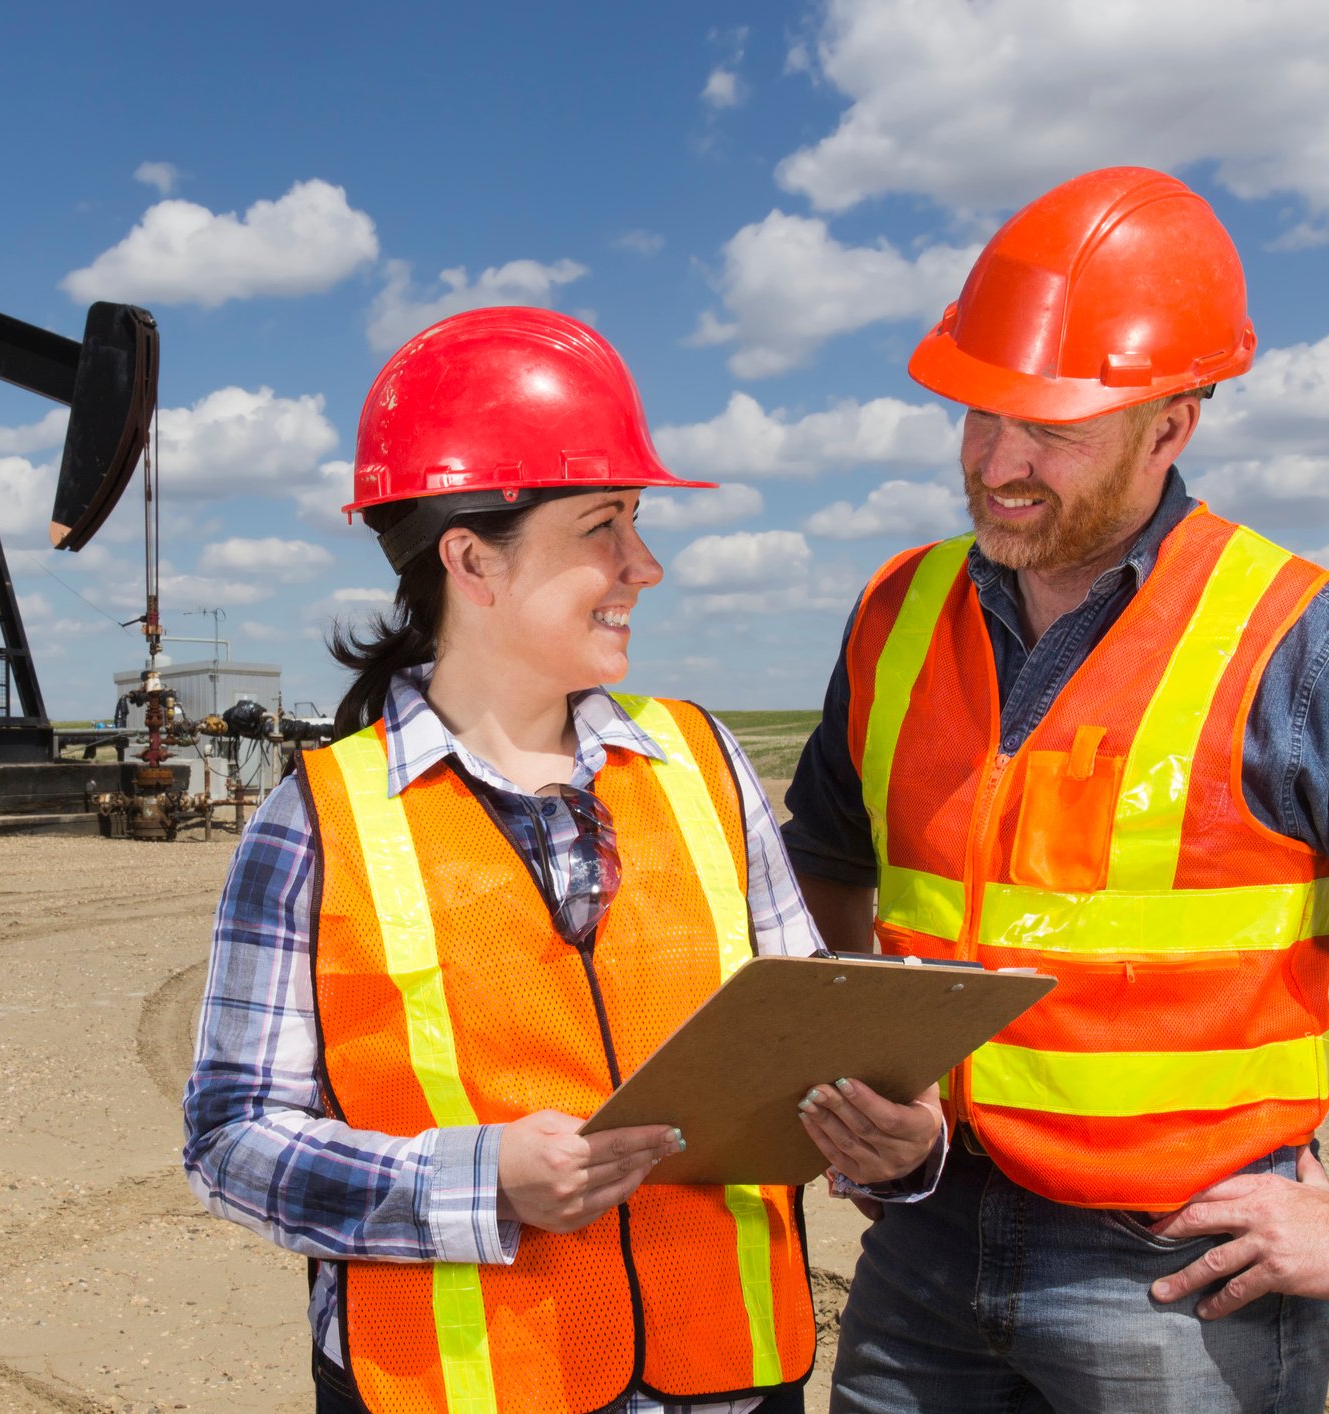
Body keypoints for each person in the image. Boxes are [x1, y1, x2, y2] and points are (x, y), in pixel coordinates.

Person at [782, 166, 1329, 1413]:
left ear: (1171, 425)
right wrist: (872, 1087)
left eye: (1052, 429)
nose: (998, 464)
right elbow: (829, 864)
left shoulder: (1305, 641)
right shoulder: (899, 613)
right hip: (923, 1237)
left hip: (1177, 1268)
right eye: (978, 416)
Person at [184, 307, 945, 1414]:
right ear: (471, 560)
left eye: (636, 520)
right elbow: (232, 1141)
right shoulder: (320, 818)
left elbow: (798, 1047)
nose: (646, 564)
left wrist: (895, 1143)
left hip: (729, 1381)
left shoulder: (705, 762)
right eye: (604, 524)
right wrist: (476, 1179)